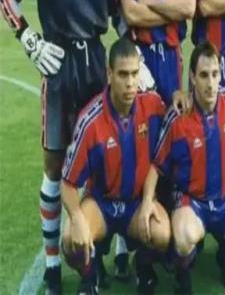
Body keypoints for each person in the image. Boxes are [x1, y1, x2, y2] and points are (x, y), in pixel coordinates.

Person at [0, 0, 120, 292]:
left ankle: (95, 258)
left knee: (101, 164)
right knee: (54, 167)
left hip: (96, 66)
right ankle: (53, 264)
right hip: (57, 62)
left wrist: (134, 58)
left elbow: (120, 10)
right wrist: (29, 38)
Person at [139, 42, 225, 294]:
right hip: (192, 203)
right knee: (183, 240)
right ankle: (182, 274)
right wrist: (147, 201)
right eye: (203, 75)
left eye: (214, 74)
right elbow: (156, 165)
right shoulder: (178, 116)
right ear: (192, 77)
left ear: (221, 74)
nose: (210, 83)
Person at [61, 37, 170, 294]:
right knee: (70, 240)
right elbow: (67, 183)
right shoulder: (90, 120)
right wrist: (76, 218)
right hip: (101, 203)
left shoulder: (153, 106)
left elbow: (161, 156)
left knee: (162, 234)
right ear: (109, 74)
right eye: (122, 74)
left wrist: (148, 200)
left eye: (134, 73)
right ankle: (90, 276)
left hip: (135, 203)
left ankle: (142, 266)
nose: (130, 82)